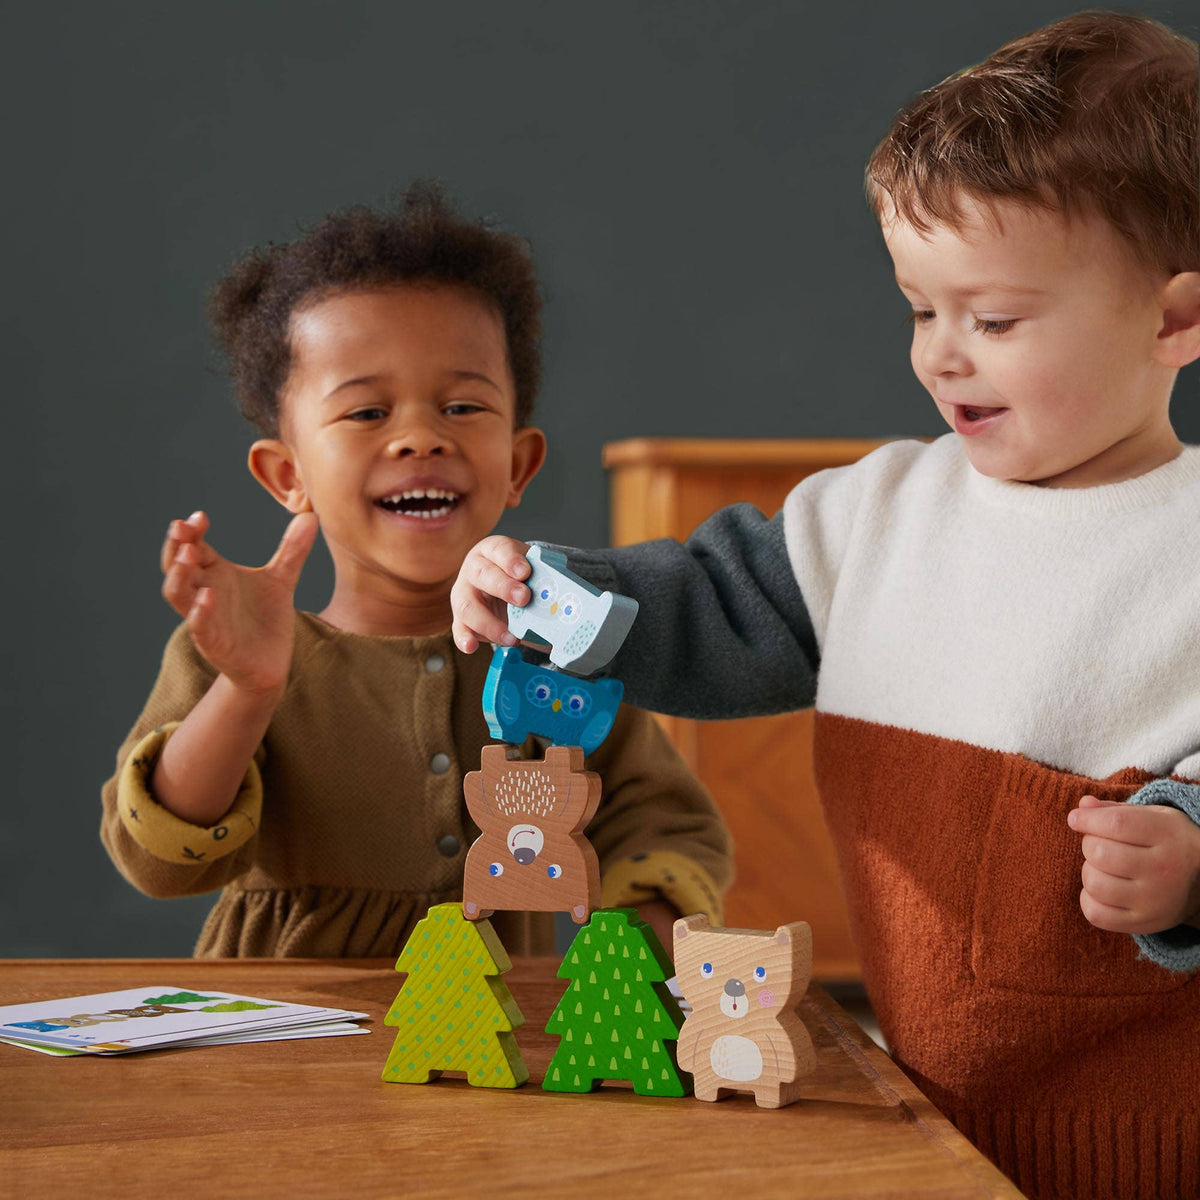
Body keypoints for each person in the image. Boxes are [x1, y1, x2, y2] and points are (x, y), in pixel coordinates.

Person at [450, 14, 1200, 1199]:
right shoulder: (876, 514)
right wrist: (548, 588)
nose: (943, 356)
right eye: (920, 310)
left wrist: (1192, 852)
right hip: (927, 1110)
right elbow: (702, 608)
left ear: (1173, 321)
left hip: (1154, 1135)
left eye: (993, 320)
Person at [101, 183, 732, 961]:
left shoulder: (561, 646)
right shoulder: (236, 655)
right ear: (286, 476)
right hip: (288, 1039)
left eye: (462, 408)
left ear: (518, 464)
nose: (420, 439)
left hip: (506, 1033)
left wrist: (649, 950)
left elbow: (658, 821)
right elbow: (159, 863)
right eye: (367, 413)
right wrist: (248, 688)